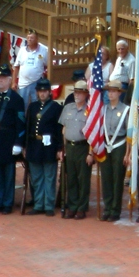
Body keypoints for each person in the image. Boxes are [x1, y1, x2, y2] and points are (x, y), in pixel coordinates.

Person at [0, 66, 26, 213]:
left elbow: (20, 123)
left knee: (8, 174)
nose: (0, 80)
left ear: (10, 80)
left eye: (3, 78)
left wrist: (18, 143)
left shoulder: (16, 99)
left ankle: (7, 203)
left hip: (8, 140)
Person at [24, 79, 62, 216]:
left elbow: (59, 130)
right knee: (36, 177)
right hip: (34, 145)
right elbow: (28, 127)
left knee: (49, 177)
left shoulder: (56, 107)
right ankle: (38, 204)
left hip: (49, 147)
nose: (42, 94)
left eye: (45, 91)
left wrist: (59, 148)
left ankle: (49, 206)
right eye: (40, 91)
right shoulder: (32, 107)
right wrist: (25, 146)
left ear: (49, 92)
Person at [58, 79, 91, 219]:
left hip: (83, 147)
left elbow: (93, 133)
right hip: (69, 147)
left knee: (82, 179)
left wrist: (91, 153)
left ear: (85, 95)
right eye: (76, 92)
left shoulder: (89, 111)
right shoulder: (68, 108)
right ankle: (72, 206)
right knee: (70, 178)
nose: (77, 95)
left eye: (80, 93)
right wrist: (62, 149)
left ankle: (81, 208)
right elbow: (63, 129)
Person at [97, 80, 128, 222]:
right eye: (109, 91)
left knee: (117, 178)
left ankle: (116, 210)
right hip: (105, 143)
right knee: (106, 177)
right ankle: (107, 208)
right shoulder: (103, 109)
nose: (110, 93)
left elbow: (129, 134)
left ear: (119, 93)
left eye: (114, 91)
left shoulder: (126, 110)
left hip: (119, 144)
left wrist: (127, 153)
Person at [12, 31, 49, 110]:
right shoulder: (22, 50)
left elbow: (47, 65)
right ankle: (22, 122)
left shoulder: (43, 50)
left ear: (37, 39)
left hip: (36, 82)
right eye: (28, 38)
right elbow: (16, 66)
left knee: (36, 106)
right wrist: (14, 82)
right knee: (22, 105)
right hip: (23, 84)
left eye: (32, 38)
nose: (29, 39)